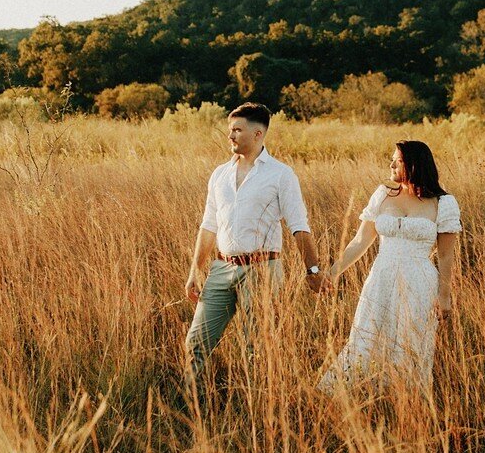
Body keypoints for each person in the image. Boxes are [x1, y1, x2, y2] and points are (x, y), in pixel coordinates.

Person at [184, 102, 326, 385]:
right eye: (230, 130)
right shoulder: (219, 174)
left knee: (258, 350)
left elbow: (299, 227)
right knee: (195, 343)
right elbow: (208, 225)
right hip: (222, 268)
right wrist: (194, 271)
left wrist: (313, 271)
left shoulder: (281, 175)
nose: (231, 136)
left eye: (237, 130)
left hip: (262, 271)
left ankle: (260, 413)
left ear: (258, 134)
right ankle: (195, 409)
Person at [318, 140, 461, 393]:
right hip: (380, 278)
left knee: (410, 344)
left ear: (415, 165)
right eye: (392, 158)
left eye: (398, 160)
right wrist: (332, 272)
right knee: (365, 338)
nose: (391, 164)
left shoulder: (443, 203)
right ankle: (356, 395)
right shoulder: (383, 194)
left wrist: (444, 296)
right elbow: (360, 241)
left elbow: (446, 256)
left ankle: (404, 402)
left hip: (419, 282)